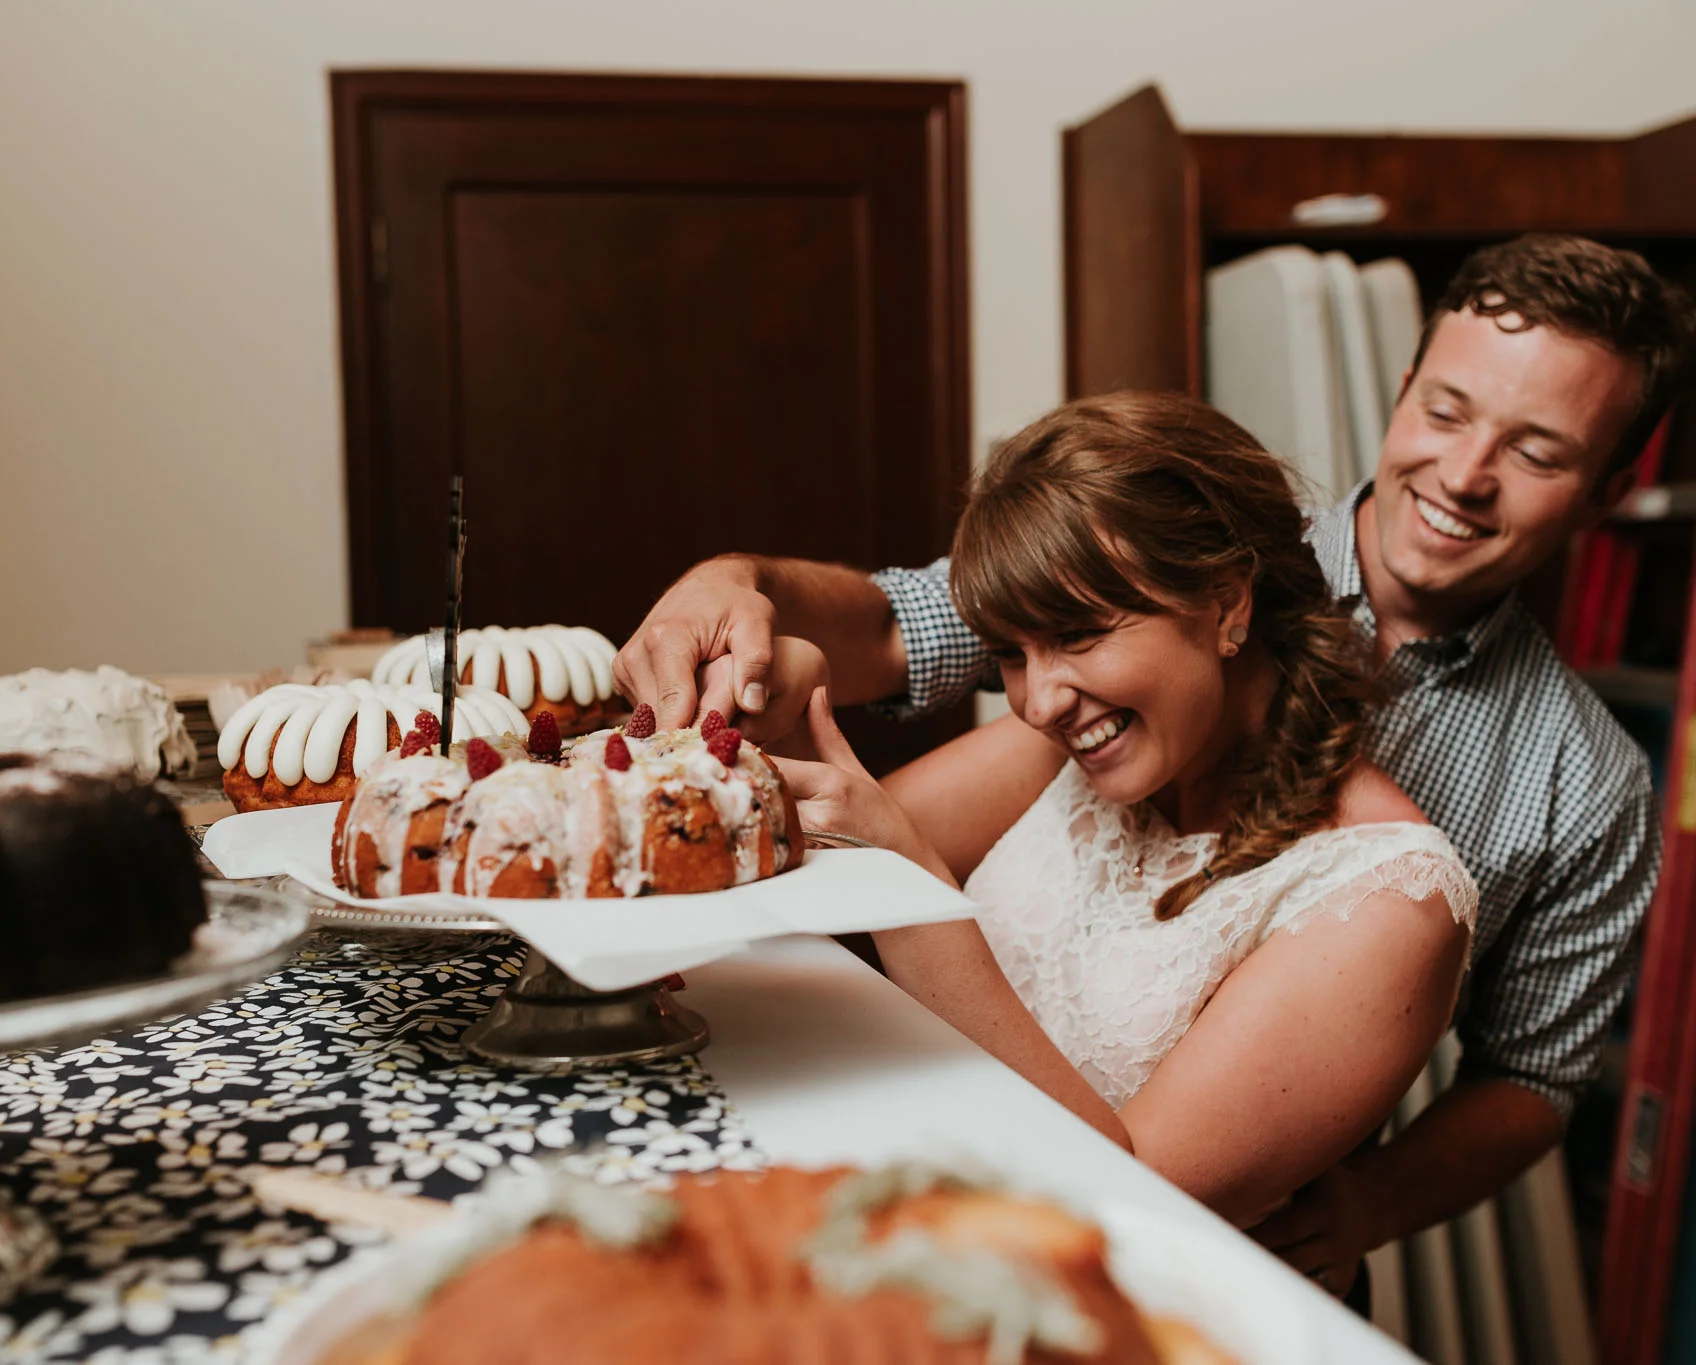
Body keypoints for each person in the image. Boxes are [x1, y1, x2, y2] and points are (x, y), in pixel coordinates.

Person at [616, 234, 1691, 1293]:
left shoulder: (1552, 793)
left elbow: (1528, 1079)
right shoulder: (1170, 556)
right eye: (1445, 411)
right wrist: (740, 595)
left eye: (1536, 451)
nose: (1461, 474)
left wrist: (1368, 1205)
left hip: (1148, 1260)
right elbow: (891, 644)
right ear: (1404, 386)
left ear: (1602, 491)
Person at [763, 391, 1478, 1229]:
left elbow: (1127, 1202)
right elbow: (800, 858)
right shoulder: (1075, 748)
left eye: (1076, 634)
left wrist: (911, 891)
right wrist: (765, 718)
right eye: (1011, 653)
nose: (1035, 702)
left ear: (1227, 603)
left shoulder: (1395, 900)